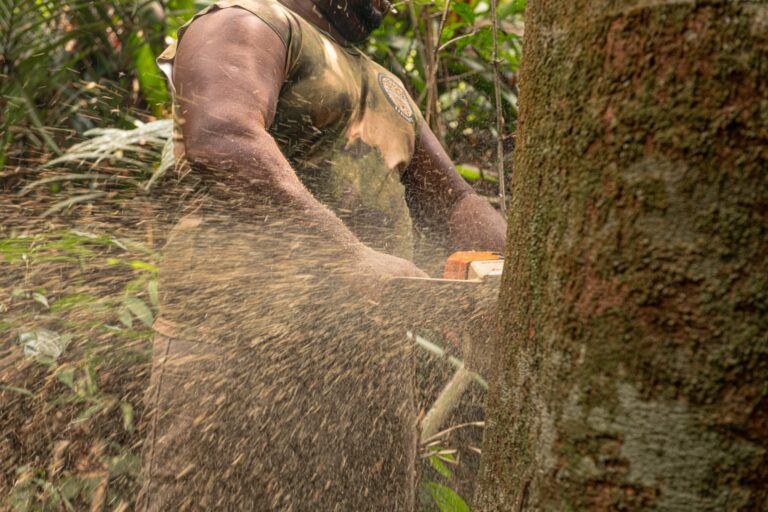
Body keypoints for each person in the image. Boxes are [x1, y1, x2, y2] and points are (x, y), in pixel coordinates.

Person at [138, 0, 506, 509]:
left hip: (366, 367)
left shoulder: (385, 85)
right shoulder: (250, 22)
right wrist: (347, 257)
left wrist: (526, 268)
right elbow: (222, 138)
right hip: (239, 354)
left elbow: (455, 203)